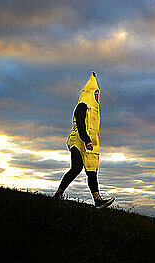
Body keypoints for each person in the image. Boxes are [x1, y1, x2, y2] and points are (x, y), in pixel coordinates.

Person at [53, 72, 115, 209]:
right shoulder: (82, 106)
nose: (97, 97)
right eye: (96, 94)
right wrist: (87, 139)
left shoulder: (94, 110)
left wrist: (90, 141)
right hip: (77, 140)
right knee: (76, 168)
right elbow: (81, 124)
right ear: (90, 93)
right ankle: (58, 194)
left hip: (87, 142)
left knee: (91, 170)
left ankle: (98, 200)